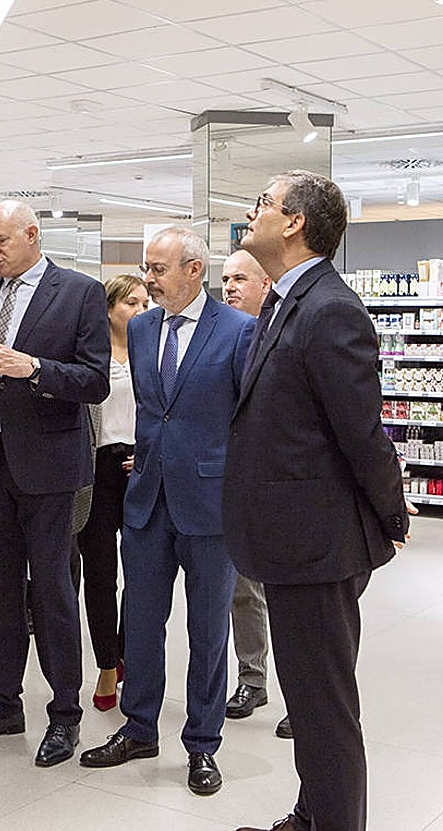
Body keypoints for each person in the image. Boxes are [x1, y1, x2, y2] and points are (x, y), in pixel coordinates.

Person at [228, 171, 409, 831]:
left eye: (263, 204)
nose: (252, 214)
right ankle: (311, 816)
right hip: (290, 539)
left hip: (319, 545)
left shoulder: (332, 310)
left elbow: (363, 432)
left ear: (296, 222)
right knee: (306, 700)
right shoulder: (283, 302)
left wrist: (392, 515)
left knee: (325, 708)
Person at [79, 228, 252, 796]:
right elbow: (155, 413)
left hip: (210, 505)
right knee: (143, 622)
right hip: (147, 502)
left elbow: (248, 419)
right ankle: (139, 726)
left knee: (207, 630)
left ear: (194, 270)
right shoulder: (142, 326)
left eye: (158, 268)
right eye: (146, 268)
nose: (148, 279)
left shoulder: (238, 331)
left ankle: (203, 744)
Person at [0, 200, 110, 769]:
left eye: (2, 241)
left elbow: (94, 381)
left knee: (54, 592)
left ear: (33, 235)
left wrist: (31, 367)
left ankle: (65, 712)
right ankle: (3, 701)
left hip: (48, 470)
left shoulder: (82, 293)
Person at [218, 250, 290, 737]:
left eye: (239, 278)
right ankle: (252, 678)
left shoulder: (283, 334)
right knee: (242, 591)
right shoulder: (218, 334)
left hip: (281, 486)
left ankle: (303, 696)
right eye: (224, 278)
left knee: (290, 598)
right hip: (225, 483)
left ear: (266, 284)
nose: (229, 287)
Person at [74, 274, 148, 712]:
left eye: (144, 303)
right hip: (98, 468)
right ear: (108, 309)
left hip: (140, 466)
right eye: (130, 304)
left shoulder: (153, 351)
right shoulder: (92, 355)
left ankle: (128, 656)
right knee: (100, 575)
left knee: (141, 575)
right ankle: (105, 664)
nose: (140, 311)